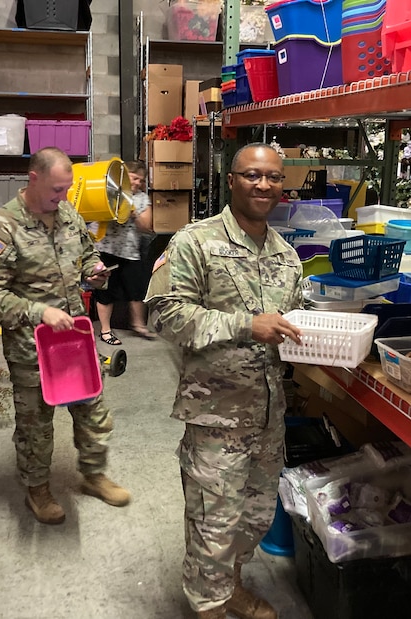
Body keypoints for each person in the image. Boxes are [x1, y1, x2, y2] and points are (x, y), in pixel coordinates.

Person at [145, 143, 304, 619]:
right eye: (253, 175)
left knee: (254, 518)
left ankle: (231, 587)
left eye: (273, 177)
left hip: (269, 414)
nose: (263, 185)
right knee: (213, 523)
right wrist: (244, 324)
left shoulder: (288, 256)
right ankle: (209, 605)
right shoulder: (195, 241)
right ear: (230, 180)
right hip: (216, 414)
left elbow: (291, 323)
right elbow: (164, 314)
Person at [0, 147, 131, 525]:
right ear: (34, 178)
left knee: (93, 410)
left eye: (66, 190)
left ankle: (93, 475)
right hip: (32, 346)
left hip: (75, 338)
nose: (62, 198)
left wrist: (94, 271)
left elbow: (86, 254)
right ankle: (37, 489)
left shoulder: (67, 215)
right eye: (56, 190)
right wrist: (38, 312)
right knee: (35, 424)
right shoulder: (2, 228)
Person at [93, 160, 156, 345]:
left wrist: (133, 211)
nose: (137, 183)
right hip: (105, 249)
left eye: (141, 180)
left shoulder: (142, 198)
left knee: (137, 290)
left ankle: (139, 326)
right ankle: (105, 331)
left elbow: (147, 226)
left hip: (130, 252)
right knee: (105, 291)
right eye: (134, 177)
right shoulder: (107, 192)